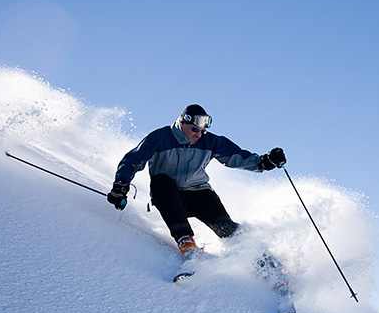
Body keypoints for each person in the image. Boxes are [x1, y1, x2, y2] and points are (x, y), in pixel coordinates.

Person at [107, 104, 286, 255]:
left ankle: (258, 258)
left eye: (202, 130)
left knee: (226, 227)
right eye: (195, 129)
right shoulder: (160, 138)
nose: (199, 134)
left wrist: (264, 162)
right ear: (183, 122)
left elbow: (235, 156)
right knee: (160, 181)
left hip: (198, 193)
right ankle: (186, 241)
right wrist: (121, 184)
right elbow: (132, 160)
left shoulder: (210, 142)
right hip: (170, 197)